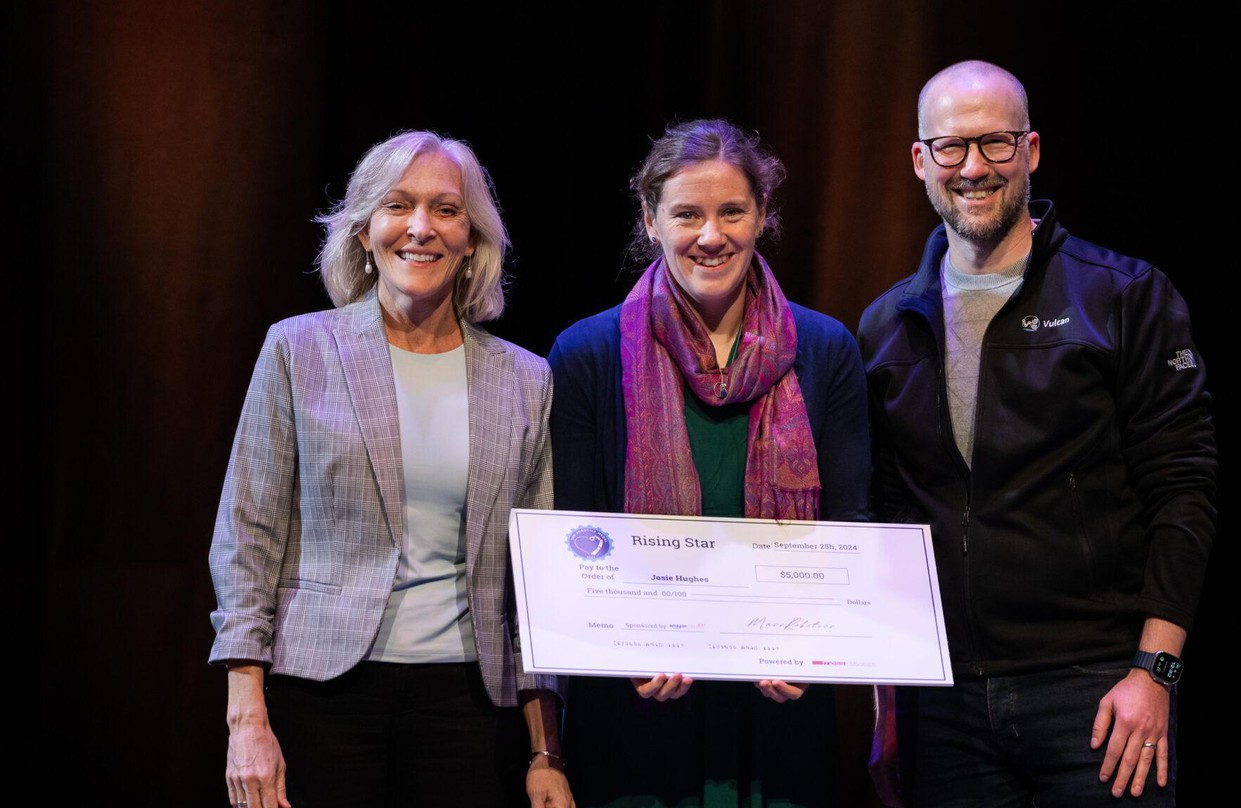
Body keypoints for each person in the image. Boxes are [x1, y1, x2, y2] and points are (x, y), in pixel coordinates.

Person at [858, 61, 1217, 807]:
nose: (975, 168)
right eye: (953, 147)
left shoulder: (1121, 295)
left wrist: (1158, 676)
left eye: (997, 143)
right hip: (945, 709)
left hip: (1097, 698)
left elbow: (1185, 493)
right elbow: (892, 524)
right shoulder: (887, 324)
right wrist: (889, 703)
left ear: (1032, 150)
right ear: (920, 159)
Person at [208, 130, 572, 808]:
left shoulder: (525, 378)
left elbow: (536, 582)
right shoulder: (297, 349)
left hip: (468, 706)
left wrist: (544, 750)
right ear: (365, 232)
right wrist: (245, 719)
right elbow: (247, 538)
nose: (420, 227)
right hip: (320, 698)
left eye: (445, 209)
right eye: (398, 205)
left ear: (472, 239)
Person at [547, 118, 870, 807]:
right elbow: (573, 536)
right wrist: (628, 643)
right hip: (636, 710)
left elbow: (851, 524)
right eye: (687, 214)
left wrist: (817, 644)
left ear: (761, 216)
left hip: (781, 704)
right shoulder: (587, 353)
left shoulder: (826, 348)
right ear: (651, 219)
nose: (711, 235)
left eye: (732, 212)